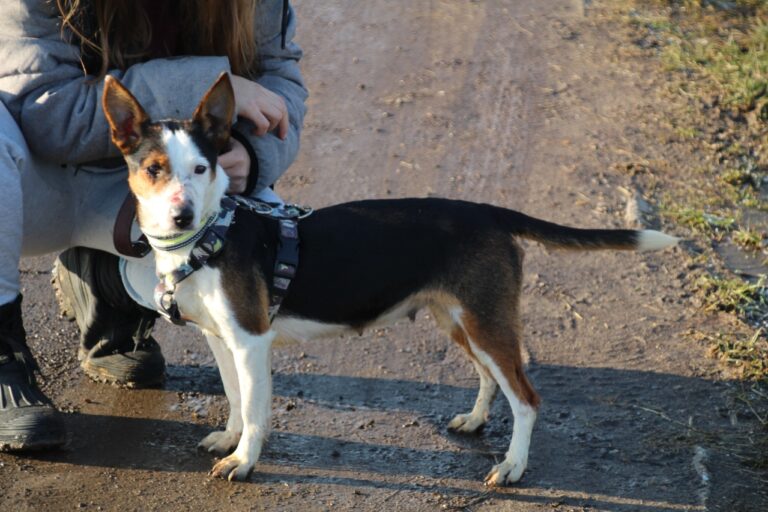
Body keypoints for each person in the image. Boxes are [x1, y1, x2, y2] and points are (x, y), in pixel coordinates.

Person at [0, 0, 307, 451]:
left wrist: (253, 155)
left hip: (175, 193)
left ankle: (109, 286)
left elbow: (282, 86)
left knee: (267, 269)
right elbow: (43, 111)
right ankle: (3, 362)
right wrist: (204, 83)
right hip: (40, 188)